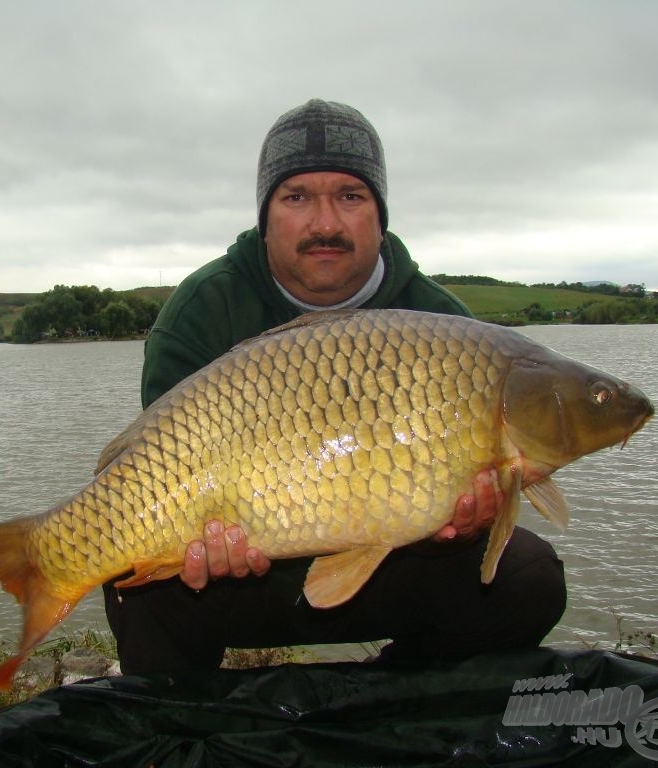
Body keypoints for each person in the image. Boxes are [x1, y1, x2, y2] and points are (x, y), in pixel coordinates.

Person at [103, 99, 566, 674]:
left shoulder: (446, 326)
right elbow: (155, 473)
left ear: (380, 213)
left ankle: (399, 705)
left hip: (391, 571)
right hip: (240, 583)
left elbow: (465, 513)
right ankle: (173, 733)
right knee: (138, 578)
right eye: (296, 197)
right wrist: (200, 545)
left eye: (351, 196)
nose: (325, 223)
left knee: (529, 577)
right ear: (265, 215)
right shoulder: (201, 314)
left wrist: (449, 533)